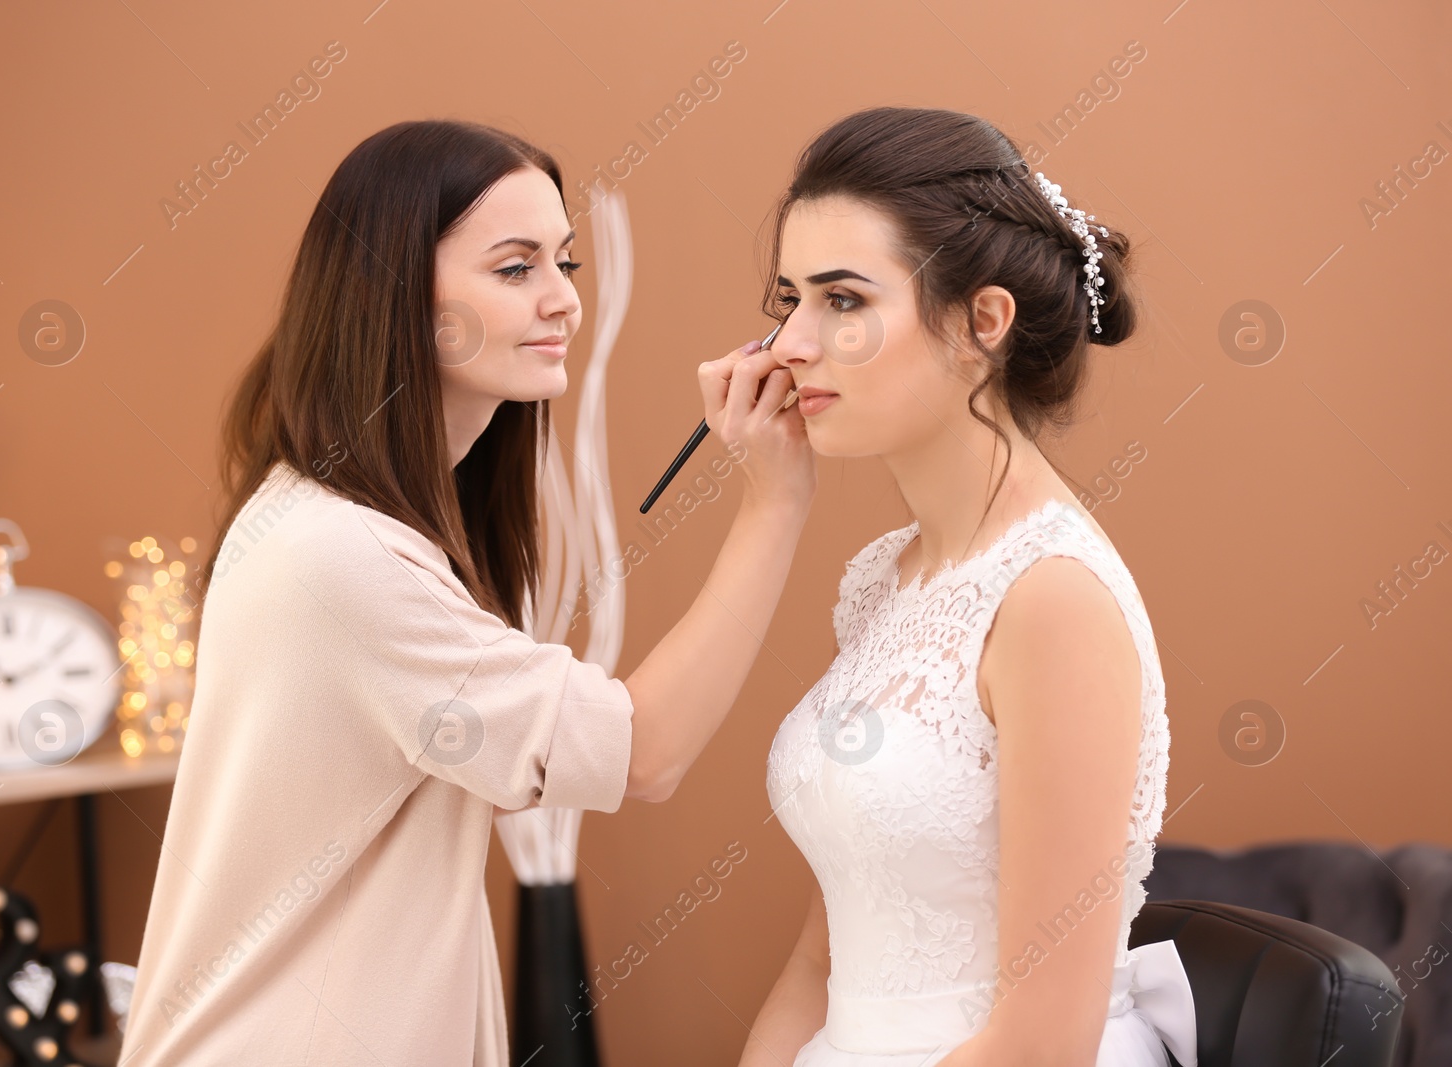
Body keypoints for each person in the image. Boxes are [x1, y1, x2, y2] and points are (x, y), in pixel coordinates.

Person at [118, 119, 815, 1066]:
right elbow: (644, 750)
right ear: (397, 292)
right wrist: (775, 499)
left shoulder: (334, 520)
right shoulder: (344, 558)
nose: (564, 300)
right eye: (516, 267)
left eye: (564, 262)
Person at [742, 107, 1197, 1066]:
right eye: (787, 300)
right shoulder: (881, 580)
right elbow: (819, 961)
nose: (789, 343)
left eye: (843, 301)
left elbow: (1040, 1042)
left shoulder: (1052, 599)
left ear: (983, 321)